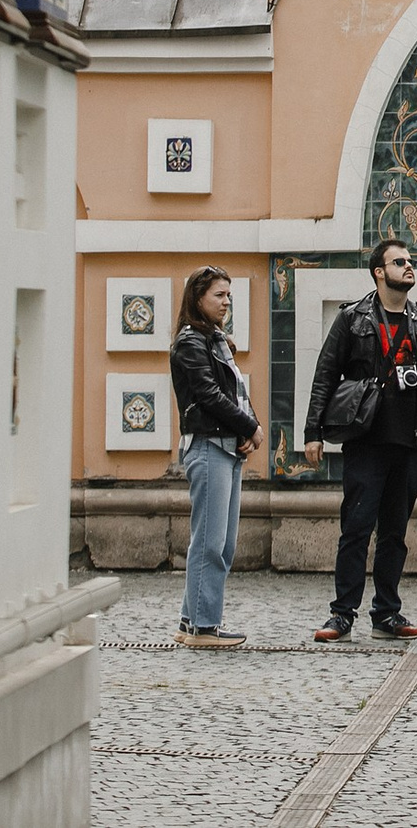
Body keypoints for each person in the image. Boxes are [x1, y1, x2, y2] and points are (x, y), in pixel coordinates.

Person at [302, 240, 417, 643]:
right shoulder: (353, 319)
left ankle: (387, 613)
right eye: (398, 261)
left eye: (410, 261)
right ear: (378, 271)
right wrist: (311, 432)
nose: (408, 266)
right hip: (366, 441)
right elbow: (325, 374)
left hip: (412, 442)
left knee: (394, 534)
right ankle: (341, 614)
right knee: (355, 528)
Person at [170, 266, 261, 649]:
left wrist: (245, 427)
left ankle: (191, 621)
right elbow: (210, 395)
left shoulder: (213, 340)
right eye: (218, 296)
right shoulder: (191, 342)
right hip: (208, 446)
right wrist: (251, 428)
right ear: (197, 298)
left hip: (224, 445)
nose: (226, 302)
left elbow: (234, 392)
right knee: (209, 541)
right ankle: (204, 629)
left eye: (228, 296)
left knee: (220, 543)